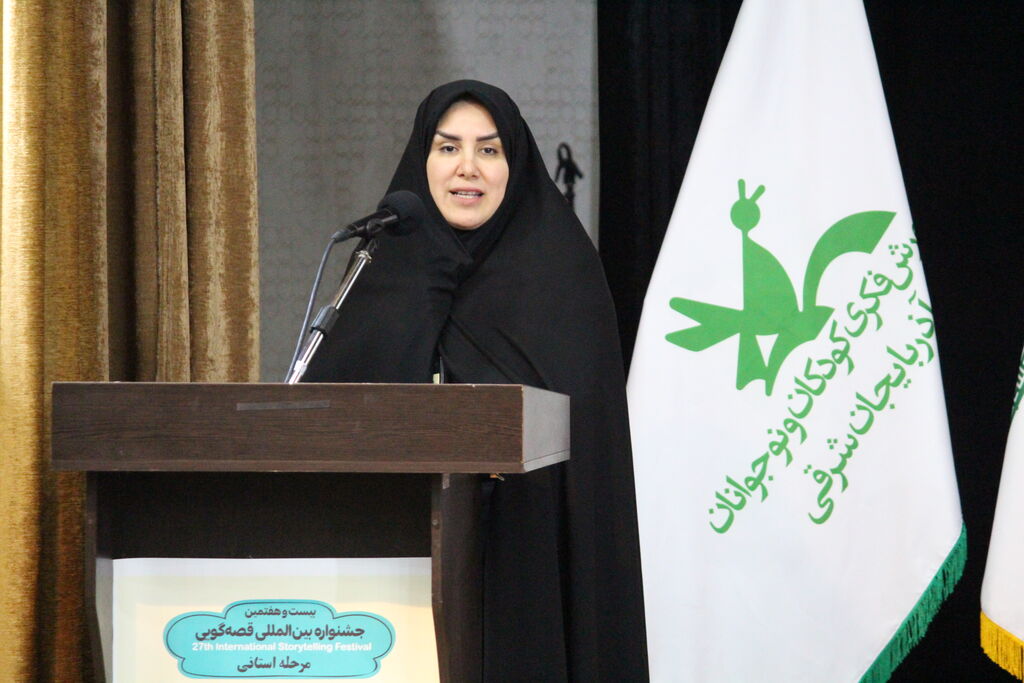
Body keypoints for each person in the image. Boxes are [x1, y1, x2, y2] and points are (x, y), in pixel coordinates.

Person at [304, 80, 648, 681]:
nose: (468, 168)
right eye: (448, 148)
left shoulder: (562, 273)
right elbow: (329, 425)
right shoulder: (381, 266)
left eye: (489, 150)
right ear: (423, 160)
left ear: (514, 164)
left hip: (528, 571)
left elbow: (589, 459)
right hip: (390, 576)